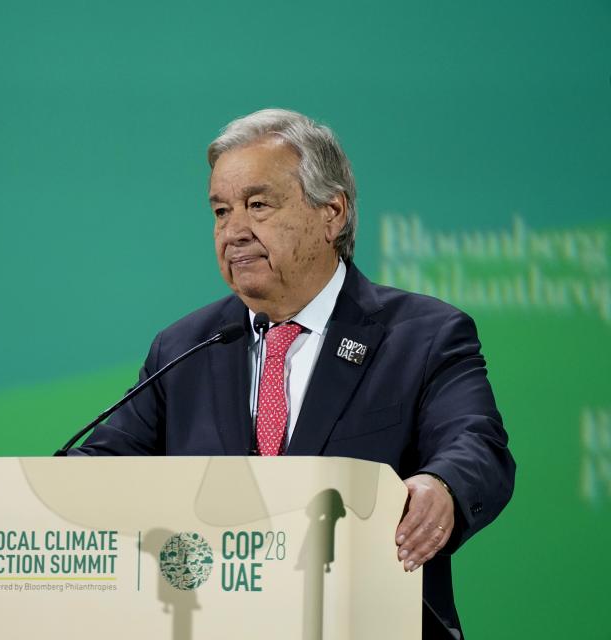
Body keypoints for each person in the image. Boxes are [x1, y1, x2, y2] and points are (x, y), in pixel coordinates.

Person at [69, 108, 515, 638]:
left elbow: (477, 443)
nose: (234, 231)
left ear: (332, 212)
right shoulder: (185, 346)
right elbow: (96, 470)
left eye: (258, 205)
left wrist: (440, 485)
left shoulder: (423, 335)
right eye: (220, 211)